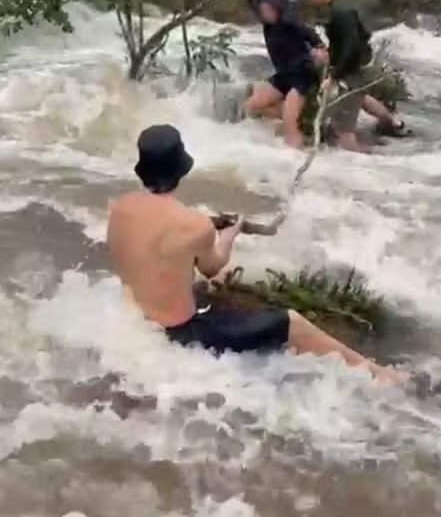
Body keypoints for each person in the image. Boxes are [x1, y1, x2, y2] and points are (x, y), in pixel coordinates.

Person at [106, 124, 400, 381]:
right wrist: (230, 234)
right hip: (181, 335)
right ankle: (379, 375)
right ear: (180, 170)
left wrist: (207, 228)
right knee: (291, 322)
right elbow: (213, 265)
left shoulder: (120, 208)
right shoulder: (193, 224)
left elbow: (155, 240)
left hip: (139, 319)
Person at [299, 0, 409, 153]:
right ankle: (392, 123)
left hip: (353, 71)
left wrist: (334, 76)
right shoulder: (346, 2)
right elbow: (359, 36)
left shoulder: (341, 11)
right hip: (362, 66)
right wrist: (331, 53)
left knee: (342, 133)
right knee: (360, 97)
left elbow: (351, 47)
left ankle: (372, 167)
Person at [240, 0, 328, 149]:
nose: (266, 13)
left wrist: (320, 49)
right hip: (283, 75)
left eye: (269, 10)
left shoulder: (289, 23)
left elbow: (311, 34)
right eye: (263, 10)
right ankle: (271, 132)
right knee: (251, 106)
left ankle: (294, 156)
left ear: (278, 9)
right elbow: (256, 5)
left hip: (301, 75)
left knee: (289, 122)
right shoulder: (266, 21)